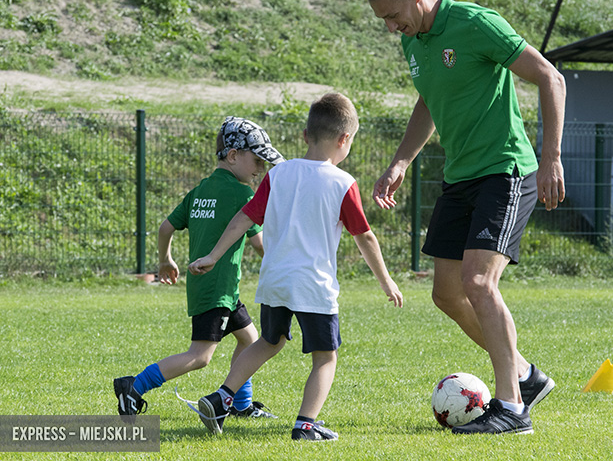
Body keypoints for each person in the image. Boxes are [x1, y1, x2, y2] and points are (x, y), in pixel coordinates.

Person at [366, 0, 565, 435]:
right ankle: (524, 375)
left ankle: (513, 409)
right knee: (447, 293)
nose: (393, 28)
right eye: (384, 22)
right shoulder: (412, 41)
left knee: (478, 282)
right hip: (459, 177)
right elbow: (429, 100)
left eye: (394, 16)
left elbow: (550, 78)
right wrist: (401, 160)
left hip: (506, 170)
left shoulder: (476, 23)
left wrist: (551, 157)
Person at [188, 93, 404, 441]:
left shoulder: (279, 174)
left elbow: (244, 218)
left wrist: (213, 255)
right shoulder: (343, 183)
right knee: (326, 358)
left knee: (269, 342)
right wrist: (386, 281)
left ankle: (221, 397)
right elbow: (364, 237)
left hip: (275, 279)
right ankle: (306, 425)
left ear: (305, 135)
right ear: (344, 139)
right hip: (313, 286)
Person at [113, 116, 285, 418]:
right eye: (257, 161)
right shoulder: (243, 194)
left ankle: (241, 405)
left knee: (249, 339)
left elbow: (166, 227)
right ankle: (134, 386)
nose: (261, 170)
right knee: (200, 356)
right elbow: (260, 245)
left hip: (218, 288)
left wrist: (165, 260)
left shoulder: (200, 192)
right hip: (216, 288)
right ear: (233, 156)